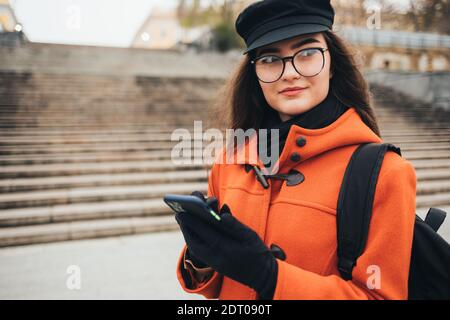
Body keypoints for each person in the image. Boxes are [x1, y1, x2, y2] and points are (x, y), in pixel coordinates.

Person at [174, 0, 417, 300]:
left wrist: (270, 276)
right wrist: (202, 257)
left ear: (331, 64)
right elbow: (217, 289)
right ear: (255, 74)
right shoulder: (230, 162)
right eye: (270, 59)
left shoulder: (386, 173)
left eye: (307, 53)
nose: (289, 73)